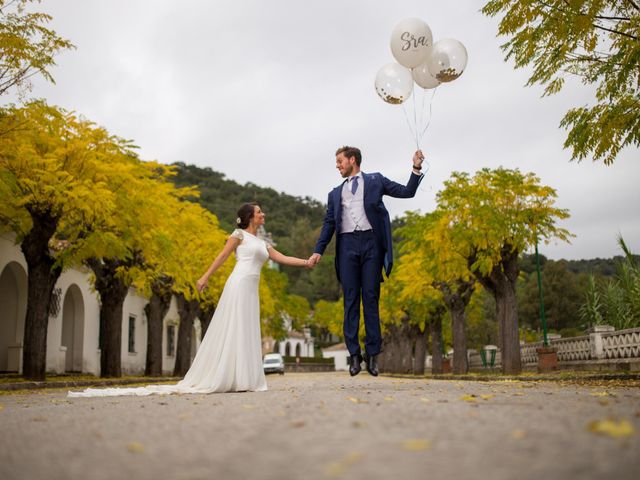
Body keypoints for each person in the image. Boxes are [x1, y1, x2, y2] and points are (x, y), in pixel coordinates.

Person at [68, 202, 312, 398]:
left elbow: (281, 257)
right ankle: (226, 376)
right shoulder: (238, 235)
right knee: (233, 327)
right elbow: (223, 256)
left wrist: (306, 262)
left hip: (251, 289)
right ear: (250, 217)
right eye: (260, 212)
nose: (263, 214)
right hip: (238, 284)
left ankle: (245, 379)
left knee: (247, 330)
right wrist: (205, 276)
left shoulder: (263, 243)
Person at [308, 146, 424, 377]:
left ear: (353, 160)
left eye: (340, 161)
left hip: (371, 243)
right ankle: (354, 356)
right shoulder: (334, 194)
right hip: (347, 246)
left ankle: (373, 356)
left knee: (370, 298)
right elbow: (329, 224)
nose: (338, 165)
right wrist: (318, 250)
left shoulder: (376, 180)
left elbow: (407, 192)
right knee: (350, 300)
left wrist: (416, 167)